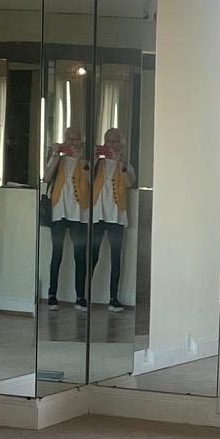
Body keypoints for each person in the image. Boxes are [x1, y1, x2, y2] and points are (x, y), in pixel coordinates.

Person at [39, 127, 93, 308]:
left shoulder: (86, 161)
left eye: (75, 139)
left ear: (82, 143)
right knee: (57, 254)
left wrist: (80, 160)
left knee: (80, 256)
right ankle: (52, 294)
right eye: (68, 139)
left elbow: (92, 181)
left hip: (80, 213)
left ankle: (80, 297)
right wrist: (55, 155)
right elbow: (46, 178)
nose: (71, 143)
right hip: (58, 211)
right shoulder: (58, 159)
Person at [90, 126, 137, 313]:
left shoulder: (125, 164)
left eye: (114, 142)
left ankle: (113, 298)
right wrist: (93, 159)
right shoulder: (97, 163)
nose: (110, 145)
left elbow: (128, 182)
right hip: (97, 215)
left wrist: (120, 164)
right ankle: (84, 296)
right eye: (107, 141)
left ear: (121, 144)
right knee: (92, 256)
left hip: (117, 216)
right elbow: (86, 180)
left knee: (116, 258)